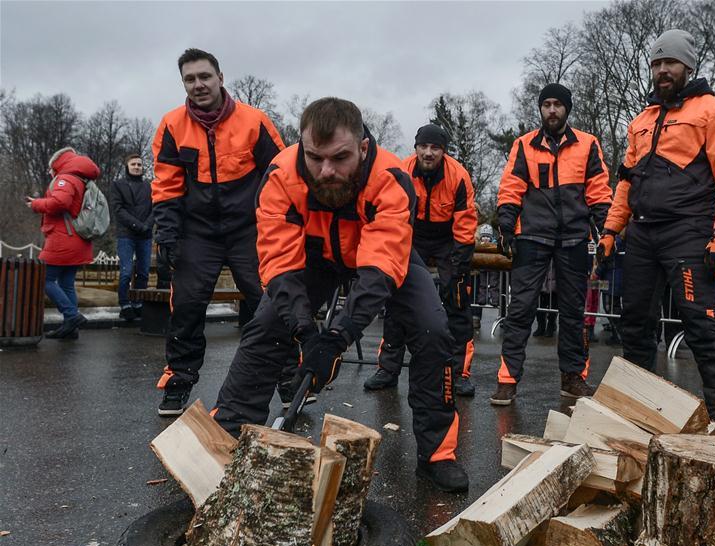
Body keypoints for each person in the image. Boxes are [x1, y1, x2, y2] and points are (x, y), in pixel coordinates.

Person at [211, 97, 468, 492]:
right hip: (315, 256)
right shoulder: (281, 174)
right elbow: (278, 264)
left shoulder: (391, 177)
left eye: (340, 158)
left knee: (434, 330)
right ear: (302, 146)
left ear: (363, 148)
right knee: (265, 326)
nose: (326, 171)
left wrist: (338, 337)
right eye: (315, 158)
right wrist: (304, 332)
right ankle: (225, 435)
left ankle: (437, 453)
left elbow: (381, 267)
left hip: (382, 256)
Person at [596, 29, 715, 420]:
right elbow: (625, 182)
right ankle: (639, 417)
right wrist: (611, 231)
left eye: (670, 63)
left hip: (689, 231)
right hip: (642, 234)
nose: (662, 70)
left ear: (688, 66)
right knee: (635, 327)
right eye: (657, 63)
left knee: (701, 326)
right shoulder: (641, 120)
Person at [151, 48, 285, 416]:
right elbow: (166, 184)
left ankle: (289, 376)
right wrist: (167, 234)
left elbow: (282, 173)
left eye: (204, 77)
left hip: (249, 229)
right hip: (198, 232)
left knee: (272, 299)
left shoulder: (254, 121)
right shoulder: (172, 125)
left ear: (220, 77)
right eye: (190, 79)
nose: (198, 85)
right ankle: (178, 379)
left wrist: (283, 226)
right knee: (187, 304)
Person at [490, 83, 613, 405]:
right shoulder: (524, 145)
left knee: (573, 312)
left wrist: (607, 230)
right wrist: (505, 225)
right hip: (532, 236)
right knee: (520, 310)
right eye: (546, 105)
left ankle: (573, 377)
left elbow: (599, 190)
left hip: (574, 238)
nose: (552, 110)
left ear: (567, 109)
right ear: (541, 109)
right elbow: (511, 187)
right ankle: (508, 379)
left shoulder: (588, 144)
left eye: (558, 104)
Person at [364, 124, 478, 397]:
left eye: (435, 148)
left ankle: (459, 372)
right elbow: (390, 213)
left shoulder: (458, 176)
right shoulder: (402, 170)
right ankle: (387, 369)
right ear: (415, 148)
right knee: (398, 300)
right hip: (412, 232)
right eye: (423, 147)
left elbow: (466, 222)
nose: (428, 153)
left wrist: (460, 264)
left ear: (444, 151)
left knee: (458, 302)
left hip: (448, 237)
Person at [26, 147, 100, 339]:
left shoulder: (65, 178)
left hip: (63, 239)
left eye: (51, 169)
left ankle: (72, 315)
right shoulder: (82, 178)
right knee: (66, 283)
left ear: (56, 164)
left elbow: (60, 203)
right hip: (77, 239)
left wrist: (36, 204)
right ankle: (70, 328)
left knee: (44, 279)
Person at [109, 153, 153, 321]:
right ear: (127, 165)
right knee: (126, 272)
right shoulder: (118, 185)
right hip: (126, 234)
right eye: (133, 164)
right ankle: (125, 304)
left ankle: (138, 303)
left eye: (139, 164)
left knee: (143, 272)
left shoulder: (149, 186)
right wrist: (137, 225)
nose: (136, 167)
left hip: (146, 235)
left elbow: (156, 207)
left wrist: (147, 225)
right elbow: (118, 209)